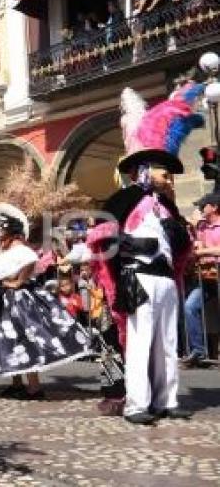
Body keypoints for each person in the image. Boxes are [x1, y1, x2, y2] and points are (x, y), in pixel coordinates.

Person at [89, 84, 203, 425]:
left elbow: (182, 247)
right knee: (140, 343)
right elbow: (100, 237)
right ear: (143, 169)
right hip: (138, 278)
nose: (167, 174)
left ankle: (166, 399)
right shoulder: (124, 201)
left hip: (166, 281)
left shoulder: (169, 209)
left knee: (168, 342)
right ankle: (137, 403)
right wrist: (131, 246)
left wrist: (182, 237)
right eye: (161, 168)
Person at [0, 203, 91, 400]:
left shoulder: (19, 248)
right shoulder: (5, 250)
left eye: (1, 228)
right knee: (8, 342)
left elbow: (30, 259)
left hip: (18, 301)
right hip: (3, 298)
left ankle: (34, 387)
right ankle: (17, 383)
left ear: (9, 231)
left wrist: (18, 281)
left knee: (25, 340)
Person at [182, 192, 220, 367]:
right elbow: (196, 248)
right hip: (206, 277)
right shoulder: (201, 227)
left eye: (202, 206)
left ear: (214, 207)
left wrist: (202, 252)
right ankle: (199, 351)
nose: (199, 209)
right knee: (189, 307)